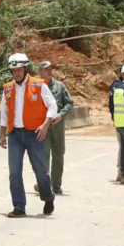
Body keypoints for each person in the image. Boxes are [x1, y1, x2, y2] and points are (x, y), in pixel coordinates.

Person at [0, 53, 58, 218]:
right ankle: (19, 207)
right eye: (14, 70)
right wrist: (2, 134)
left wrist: (46, 125)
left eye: (19, 69)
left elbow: (52, 105)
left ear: (25, 68)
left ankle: (48, 197)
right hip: (15, 135)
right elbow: (4, 113)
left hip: (35, 133)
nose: (16, 73)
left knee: (40, 169)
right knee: (14, 172)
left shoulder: (39, 85)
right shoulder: (8, 88)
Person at [34, 61, 73, 194]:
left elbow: (69, 103)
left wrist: (61, 115)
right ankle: (44, 184)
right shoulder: (35, 86)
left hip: (57, 126)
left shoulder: (60, 86)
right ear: (40, 71)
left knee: (58, 155)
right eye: (46, 69)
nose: (50, 71)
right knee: (43, 156)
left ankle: (56, 185)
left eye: (51, 68)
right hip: (41, 126)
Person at [108, 73, 124, 182]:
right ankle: (123, 172)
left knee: (122, 147)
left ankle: (121, 171)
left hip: (118, 120)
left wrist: (114, 117)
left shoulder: (114, 87)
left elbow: (111, 105)